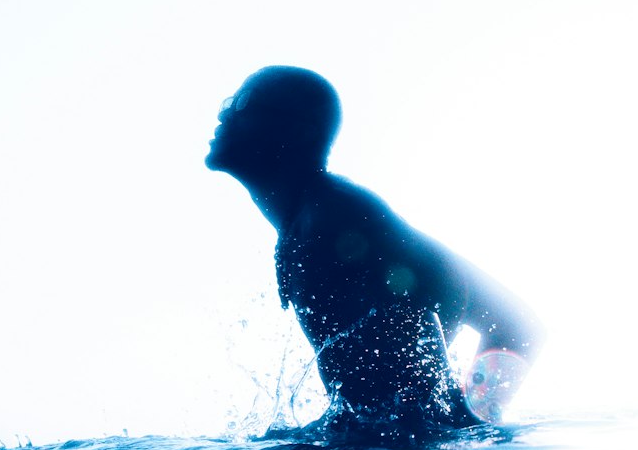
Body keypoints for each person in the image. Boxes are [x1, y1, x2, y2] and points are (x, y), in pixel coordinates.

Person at [206, 65, 542, 429]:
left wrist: (469, 419)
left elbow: (395, 411)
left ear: (298, 133)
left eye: (243, 103)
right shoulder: (323, 215)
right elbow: (517, 324)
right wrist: (474, 417)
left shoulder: (335, 221)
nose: (224, 112)